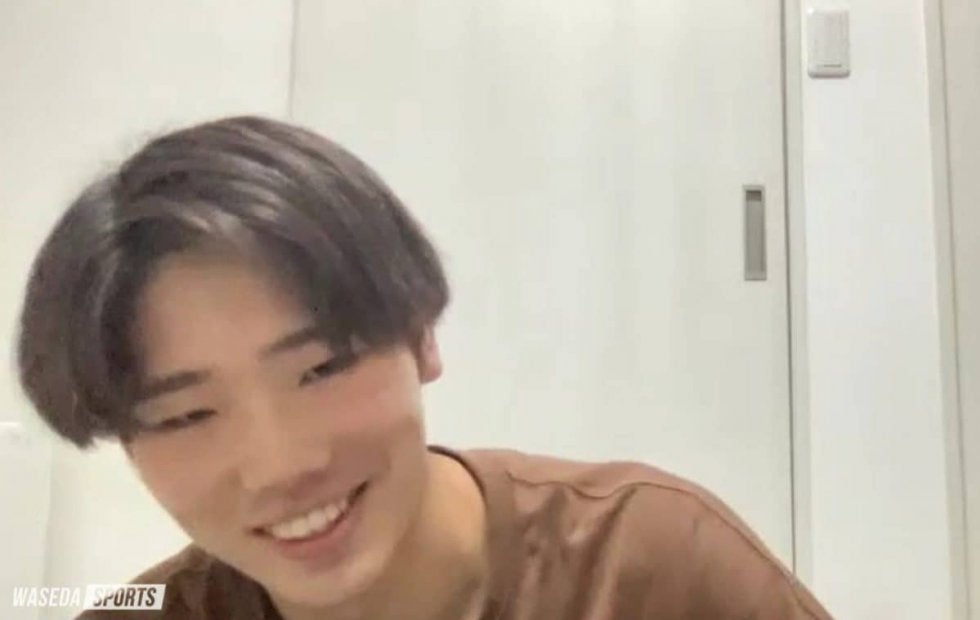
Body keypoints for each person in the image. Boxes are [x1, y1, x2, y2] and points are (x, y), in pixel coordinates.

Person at [17, 116, 832, 619]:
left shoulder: (646, 569)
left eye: (320, 369)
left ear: (420, 335)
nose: (282, 466)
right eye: (188, 415)